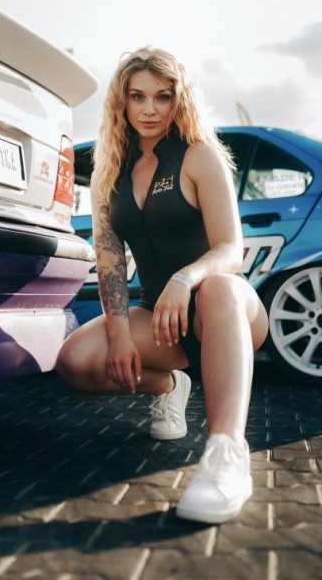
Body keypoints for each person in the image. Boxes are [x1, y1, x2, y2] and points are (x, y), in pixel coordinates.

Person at [56, 46, 268, 524]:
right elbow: (110, 264)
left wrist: (184, 278)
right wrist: (118, 334)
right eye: (138, 96)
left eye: (162, 97)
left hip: (226, 312)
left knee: (217, 288)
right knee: (76, 363)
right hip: (161, 322)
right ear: (122, 102)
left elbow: (231, 250)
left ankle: (227, 454)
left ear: (179, 100)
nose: (149, 109)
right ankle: (169, 385)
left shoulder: (199, 156)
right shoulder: (109, 173)